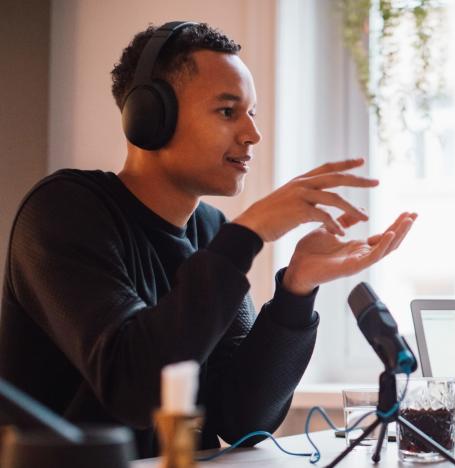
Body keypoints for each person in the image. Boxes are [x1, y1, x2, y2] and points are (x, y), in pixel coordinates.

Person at [0, 22, 415, 458]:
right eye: (227, 111)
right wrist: (249, 232)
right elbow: (135, 388)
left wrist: (297, 288)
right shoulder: (63, 211)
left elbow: (242, 419)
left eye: (252, 113)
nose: (252, 134)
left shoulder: (211, 231)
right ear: (150, 118)